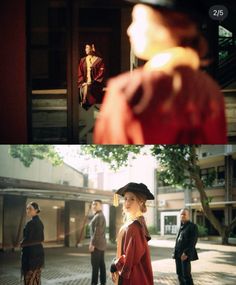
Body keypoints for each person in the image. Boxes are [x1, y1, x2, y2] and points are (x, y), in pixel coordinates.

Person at [94, 0, 227, 144]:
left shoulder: (128, 89)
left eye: (137, 21)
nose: (129, 30)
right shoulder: (211, 90)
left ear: (165, 29)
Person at [110, 182, 154, 285]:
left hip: (134, 277)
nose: (127, 202)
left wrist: (115, 265)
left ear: (141, 202)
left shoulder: (134, 226)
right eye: (125, 199)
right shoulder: (137, 222)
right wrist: (116, 260)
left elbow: (131, 257)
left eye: (132, 199)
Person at [20, 202, 44, 285]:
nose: (28, 210)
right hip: (38, 253)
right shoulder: (39, 222)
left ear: (36, 210)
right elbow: (41, 238)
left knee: (29, 278)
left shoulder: (31, 223)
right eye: (27, 208)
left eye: (30, 208)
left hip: (31, 254)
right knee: (36, 277)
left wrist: (22, 243)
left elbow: (29, 239)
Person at [173, 208, 198, 285]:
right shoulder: (180, 227)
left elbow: (193, 242)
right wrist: (174, 252)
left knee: (186, 275)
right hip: (177, 254)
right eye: (181, 214)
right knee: (179, 274)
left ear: (188, 216)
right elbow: (177, 240)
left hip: (185, 255)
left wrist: (186, 253)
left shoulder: (192, 226)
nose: (182, 215)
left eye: (184, 214)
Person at [78, 44, 105, 108]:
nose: (85, 49)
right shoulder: (83, 60)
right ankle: (87, 102)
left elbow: (101, 73)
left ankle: (84, 102)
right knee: (86, 87)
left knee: (88, 88)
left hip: (95, 84)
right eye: (85, 48)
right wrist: (82, 82)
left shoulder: (99, 60)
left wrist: (93, 82)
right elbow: (79, 73)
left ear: (92, 48)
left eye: (87, 47)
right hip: (84, 83)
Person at [89, 200, 107, 285]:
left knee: (95, 266)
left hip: (97, 245)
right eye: (93, 204)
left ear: (101, 206)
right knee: (101, 264)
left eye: (96, 204)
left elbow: (97, 232)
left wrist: (92, 244)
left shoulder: (99, 216)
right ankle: (103, 282)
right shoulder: (99, 215)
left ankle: (94, 283)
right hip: (101, 244)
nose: (94, 206)